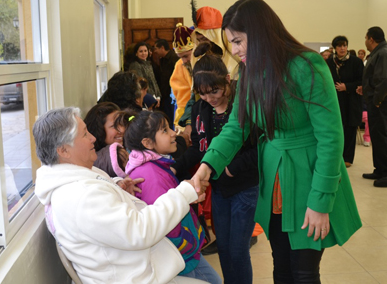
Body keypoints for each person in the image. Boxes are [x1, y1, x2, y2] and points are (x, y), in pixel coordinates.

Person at [191, 0, 361, 283]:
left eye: (238, 41)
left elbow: (331, 139)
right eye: (231, 43)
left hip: (308, 177)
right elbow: (236, 128)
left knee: (304, 272)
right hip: (275, 180)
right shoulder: (250, 72)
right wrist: (207, 166)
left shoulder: (308, 66)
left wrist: (320, 201)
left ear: (259, 32)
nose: (234, 51)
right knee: (281, 266)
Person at [33, 107, 209, 284]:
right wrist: (183, 193)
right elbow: (139, 232)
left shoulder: (75, 179)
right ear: (64, 150)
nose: (93, 138)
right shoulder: (81, 197)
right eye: (85, 134)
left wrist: (116, 187)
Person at [173, 54, 259, 284]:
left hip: (245, 186)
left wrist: (232, 167)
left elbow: (260, 149)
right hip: (220, 189)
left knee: (238, 250)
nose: (209, 97)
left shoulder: (243, 105)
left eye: (214, 91)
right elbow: (200, 149)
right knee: (223, 246)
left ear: (227, 81)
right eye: (202, 93)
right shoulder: (201, 109)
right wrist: (174, 167)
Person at [123, 110, 222, 284]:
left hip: (182, 254)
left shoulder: (154, 166)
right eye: (164, 130)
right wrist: (189, 244)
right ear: (147, 142)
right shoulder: (151, 175)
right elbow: (167, 222)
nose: (173, 133)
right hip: (183, 256)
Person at [360, 26, 387, 187]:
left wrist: (377, 99)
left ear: (371, 39)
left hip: (382, 101)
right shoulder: (381, 52)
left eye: (366, 38)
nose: (365, 42)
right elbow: (375, 79)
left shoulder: (383, 53)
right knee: (377, 135)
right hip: (379, 99)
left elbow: (384, 80)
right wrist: (365, 89)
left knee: (381, 135)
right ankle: (380, 169)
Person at [326, 35, 363, 168]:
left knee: (350, 128)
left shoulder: (356, 62)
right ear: (335, 48)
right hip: (335, 100)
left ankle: (348, 158)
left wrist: (346, 86)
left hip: (352, 99)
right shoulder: (330, 62)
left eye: (344, 45)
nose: (342, 48)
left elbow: (361, 81)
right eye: (339, 46)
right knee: (336, 128)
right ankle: (337, 156)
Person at [84, 102, 126, 176]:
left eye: (122, 123)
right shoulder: (94, 164)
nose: (122, 130)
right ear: (99, 130)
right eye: (114, 126)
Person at [170, 23, 195, 130]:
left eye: (186, 56)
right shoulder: (180, 65)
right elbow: (183, 99)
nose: (184, 61)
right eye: (180, 57)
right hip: (186, 112)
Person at [152, 39, 180, 126]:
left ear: (162, 48)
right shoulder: (162, 60)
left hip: (173, 94)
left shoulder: (175, 58)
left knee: (173, 116)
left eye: (156, 48)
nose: (154, 51)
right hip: (165, 94)